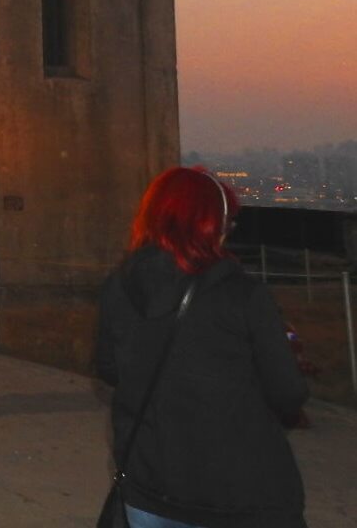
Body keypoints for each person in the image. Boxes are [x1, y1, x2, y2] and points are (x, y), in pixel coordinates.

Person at [96, 167, 309, 528]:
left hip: (150, 489)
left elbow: (109, 369)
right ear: (213, 224)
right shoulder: (242, 295)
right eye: (229, 222)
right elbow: (288, 394)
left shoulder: (119, 287)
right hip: (242, 498)